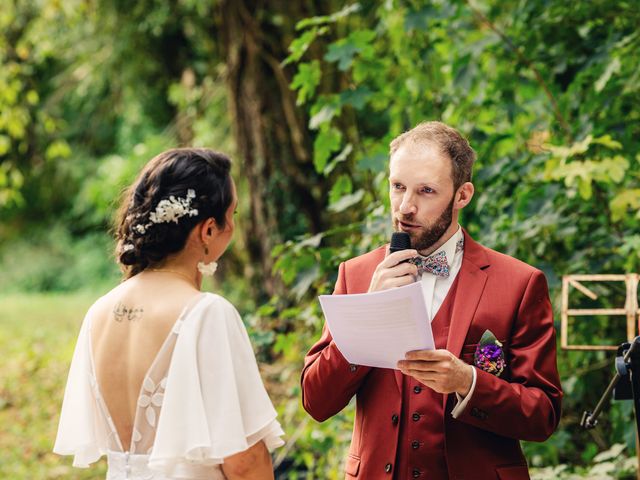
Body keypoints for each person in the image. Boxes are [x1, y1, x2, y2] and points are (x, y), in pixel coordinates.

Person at [301, 122, 562, 479]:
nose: (405, 207)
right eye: (397, 187)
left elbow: (543, 415)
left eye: (426, 191)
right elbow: (316, 402)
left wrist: (468, 382)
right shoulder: (357, 275)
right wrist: (368, 312)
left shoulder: (518, 284)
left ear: (462, 195)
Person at [54, 148, 284, 479]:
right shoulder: (207, 315)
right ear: (207, 230)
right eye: (232, 215)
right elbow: (244, 462)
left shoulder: (98, 313)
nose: (233, 226)